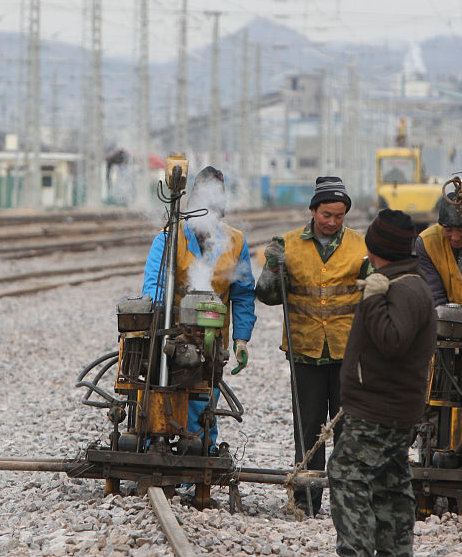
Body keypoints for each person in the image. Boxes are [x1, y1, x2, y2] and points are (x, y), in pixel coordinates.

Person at [255, 176, 368, 516]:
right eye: (326, 214)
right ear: (313, 211)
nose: (332, 222)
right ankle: (306, 501)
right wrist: (274, 269)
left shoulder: (362, 247)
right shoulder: (287, 245)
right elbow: (268, 296)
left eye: (339, 216)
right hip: (305, 352)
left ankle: (347, 502)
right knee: (308, 430)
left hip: (348, 352)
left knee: (348, 430)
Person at [328, 209, 435, 557]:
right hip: (393, 409)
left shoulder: (403, 288)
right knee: (390, 487)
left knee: (347, 473)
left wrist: (373, 298)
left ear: (376, 247)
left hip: (378, 411)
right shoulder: (406, 281)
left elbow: (392, 341)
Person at [141, 166, 256, 448]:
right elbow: (153, 287)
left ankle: (200, 453)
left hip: (211, 340)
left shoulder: (235, 241)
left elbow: (242, 294)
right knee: (159, 397)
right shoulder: (169, 237)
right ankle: (152, 449)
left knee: (204, 405)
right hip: (171, 335)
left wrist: (241, 339)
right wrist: (164, 327)